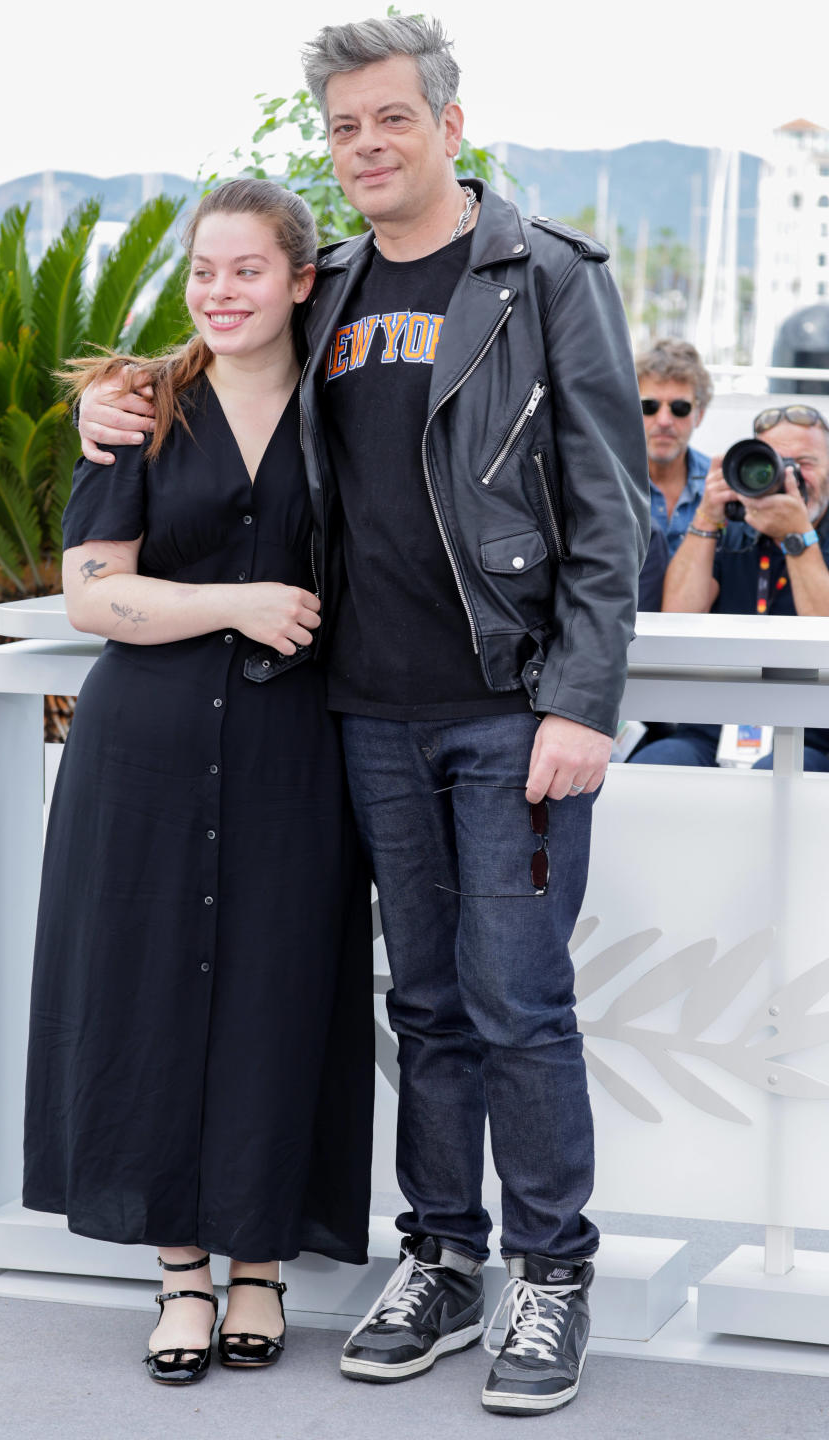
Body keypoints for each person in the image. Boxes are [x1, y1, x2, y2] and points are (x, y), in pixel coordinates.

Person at [77, 15, 649, 1417]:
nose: (367, 146)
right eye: (343, 128)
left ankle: (553, 1279)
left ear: (451, 125)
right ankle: (443, 1260)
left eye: (391, 118)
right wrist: (120, 393)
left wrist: (578, 701)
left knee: (522, 1006)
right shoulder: (326, 286)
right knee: (430, 1007)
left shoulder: (543, 276)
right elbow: (232, 331)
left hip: (509, 710)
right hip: (365, 716)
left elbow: (610, 509)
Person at [22, 178, 374, 1388]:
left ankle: (261, 1266)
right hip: (145, 752)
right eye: (204, 272)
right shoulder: (139, 409)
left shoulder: (349, 410)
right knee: (146, 999)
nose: (221, 293)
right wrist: (235, 603)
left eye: (248, 271)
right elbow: (89, 589)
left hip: (296, 753)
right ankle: (179, 1275)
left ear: (300, 281)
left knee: (284, 992)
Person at [634, 404, 829, 769]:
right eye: (775, 462)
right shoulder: (730, 529)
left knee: (775, 776)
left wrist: (798, 535)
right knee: (655, 763)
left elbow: (825, 635)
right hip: (714, 726)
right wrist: (707, 515)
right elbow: (677, 619)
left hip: (813, 730)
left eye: (804, 462)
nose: (789, 476)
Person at [637, 338, 713, 556]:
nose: (664, 420)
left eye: (679, 408)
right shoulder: (608, 484)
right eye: (649, 406)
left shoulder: (720, 486)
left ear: (699, 415)